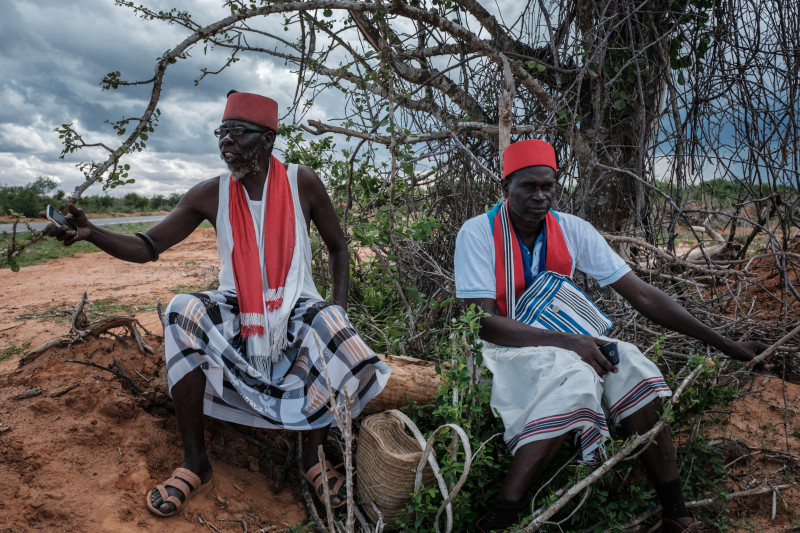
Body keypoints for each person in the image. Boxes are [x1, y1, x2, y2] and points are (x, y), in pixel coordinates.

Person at [45, 91, 392, 517]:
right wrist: (92, 233)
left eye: (237, 133)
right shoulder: (211, 193)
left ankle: (313, 459)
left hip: (297, 303)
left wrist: (336, 307)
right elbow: (146, 246)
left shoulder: (303, 181)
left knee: (332, 327)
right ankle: (196, 462)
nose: (226, 143)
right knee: (181, 310)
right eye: (221, 134)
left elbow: (339, 248)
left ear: (267, 140)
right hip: (239, 305)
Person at [453, 139, 767, 532]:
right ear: (506, 188)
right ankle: (499, 518)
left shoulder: (571, 230)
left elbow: (641, 294)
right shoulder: (478, 233)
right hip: (504, 348)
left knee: (630, 362)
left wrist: (723, 342)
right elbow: (482, 322)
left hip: (562, 342)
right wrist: (571, 342)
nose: (540, 195)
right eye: (528, 187)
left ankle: (676, 514)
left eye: (547, 185)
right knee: (575, 374)